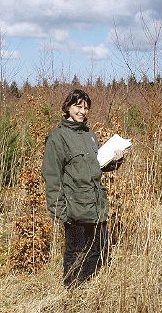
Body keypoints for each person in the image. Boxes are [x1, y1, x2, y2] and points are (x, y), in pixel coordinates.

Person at [42, 89, 125, 287]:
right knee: (75, 251)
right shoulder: (57, 137)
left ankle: (86, 286)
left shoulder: (90, 134)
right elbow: (52, 175)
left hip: (97, 204)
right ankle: (72, 290)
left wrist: (116, 160)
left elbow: (98, 165)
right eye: (78, 107)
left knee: (99, 248)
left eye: (86, 108)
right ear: (67, 108)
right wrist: (59, 210)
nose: (83, 111)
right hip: (75, 207)